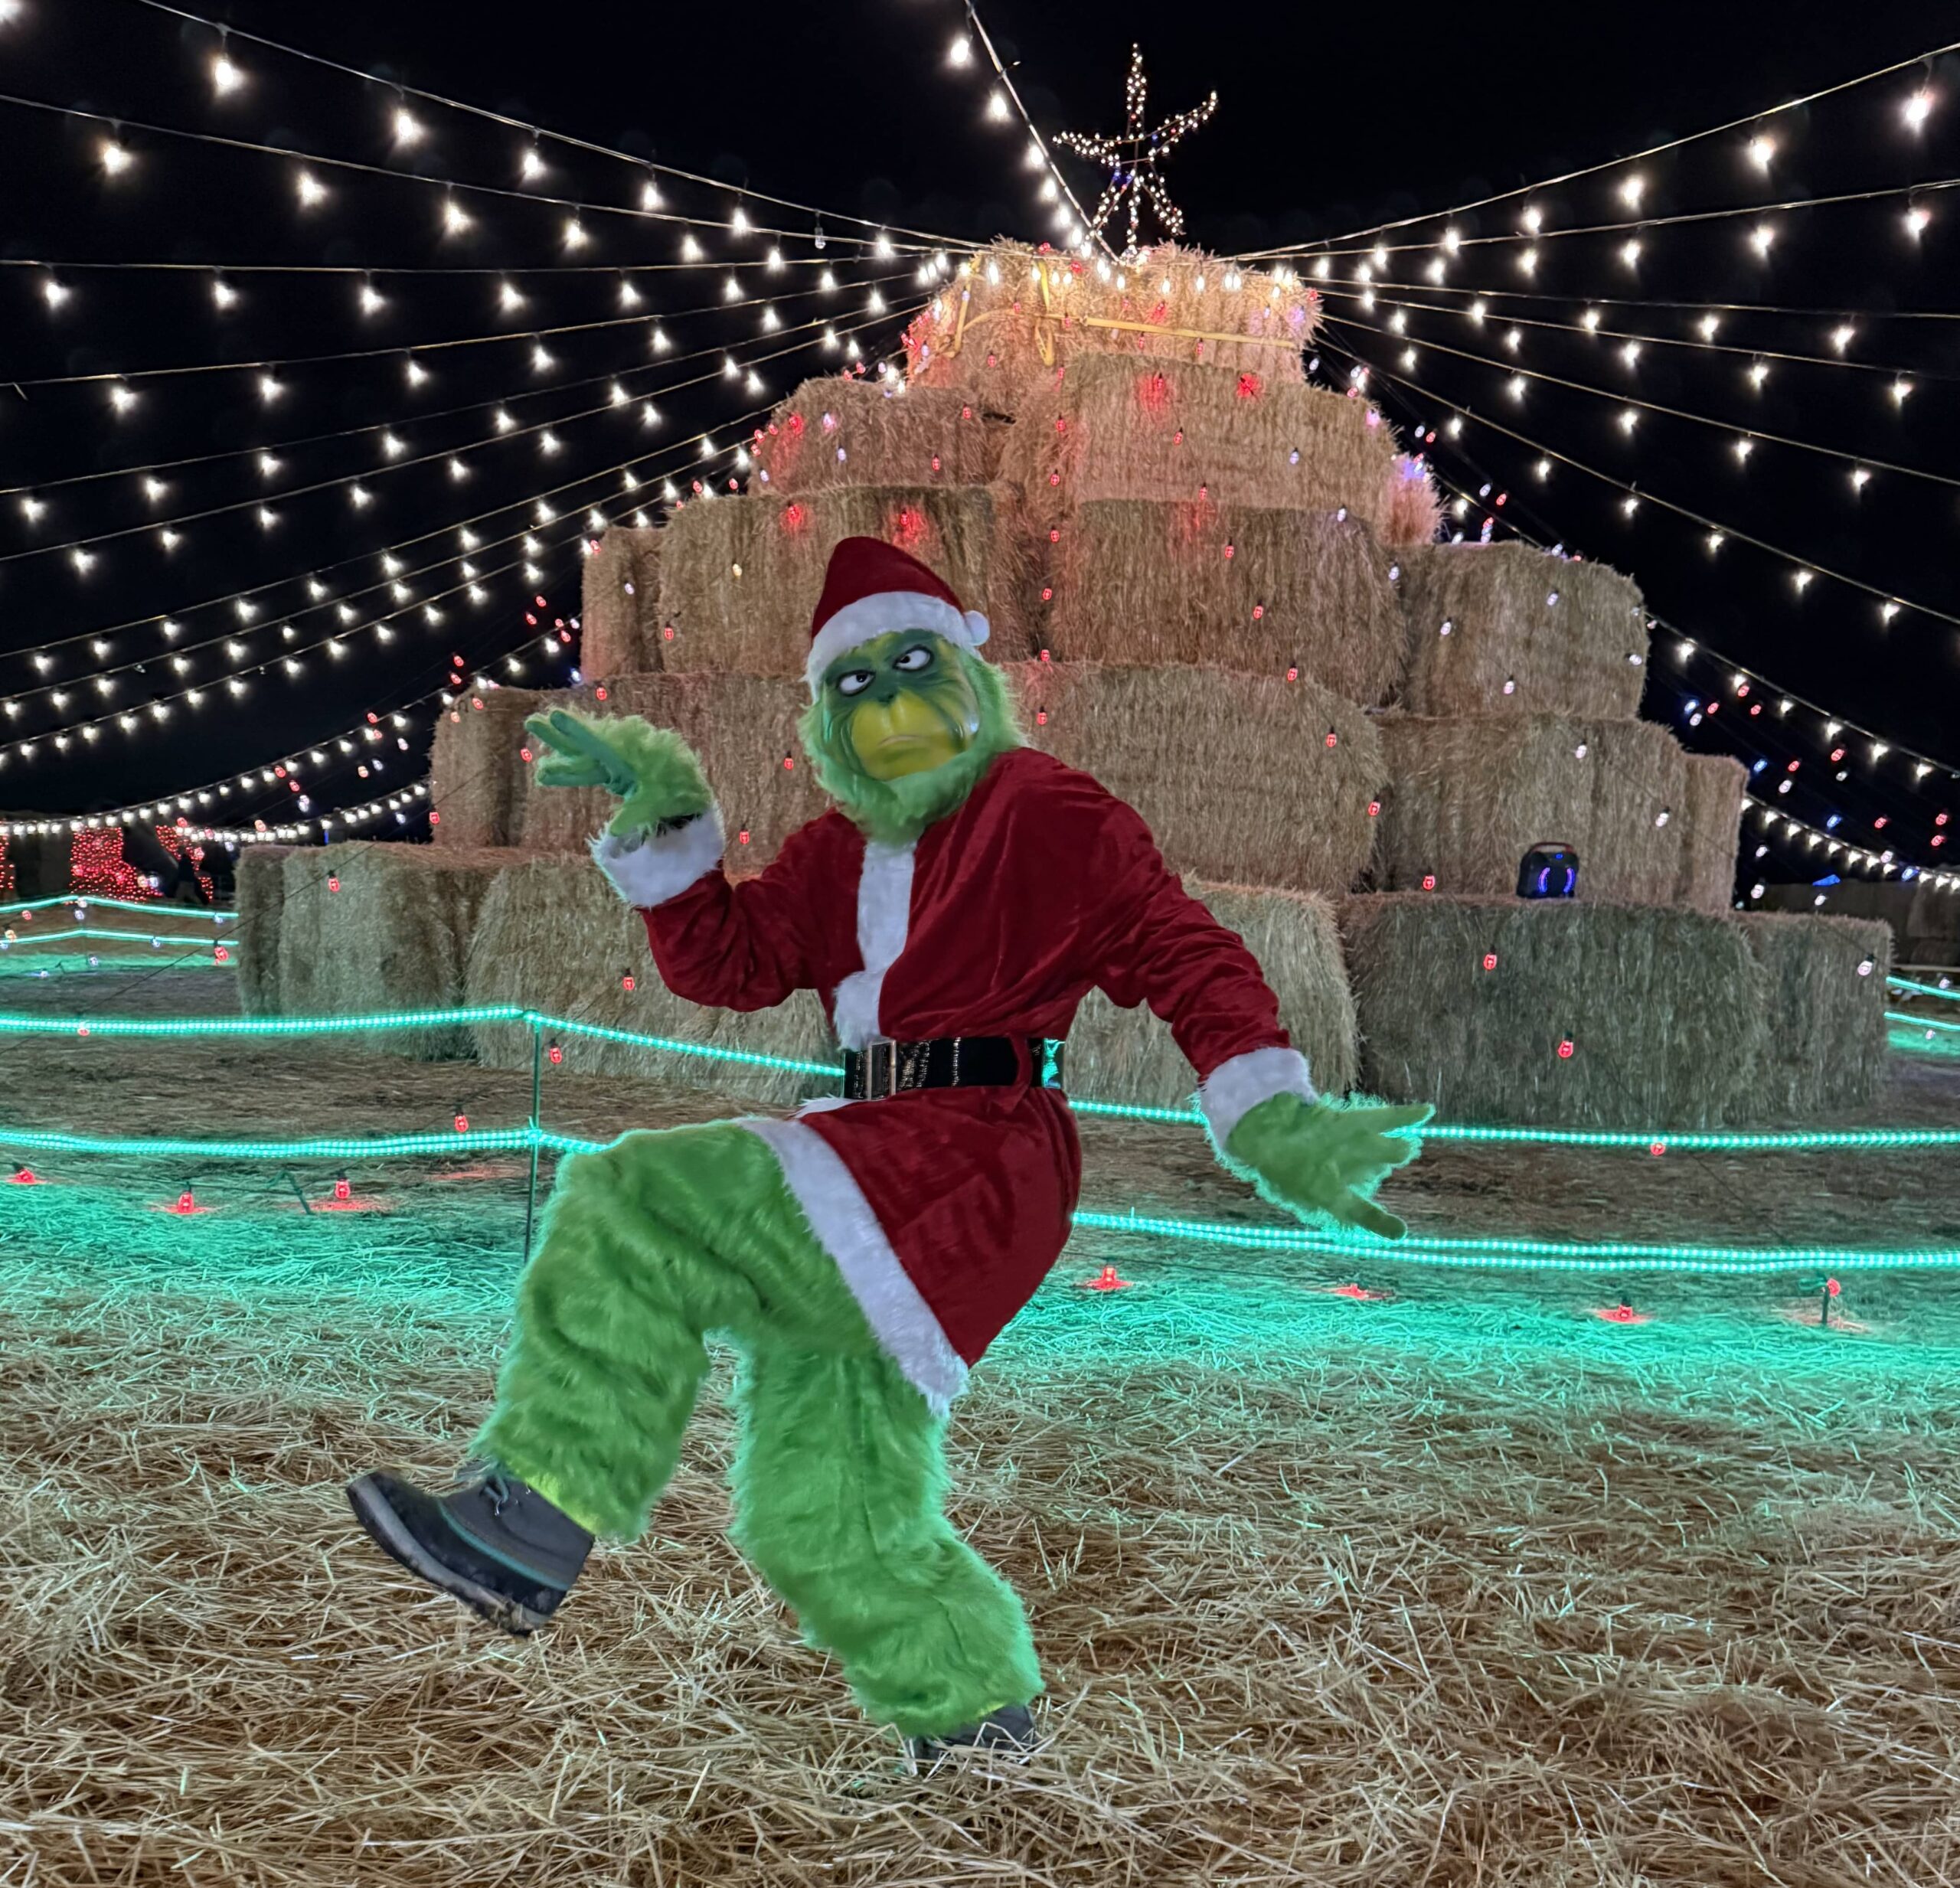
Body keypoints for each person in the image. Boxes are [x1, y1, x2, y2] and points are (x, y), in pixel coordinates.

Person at [348, 536, 1429, 1762]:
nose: (891, 701)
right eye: (854, 685)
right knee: (827, 1508)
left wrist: (1264, 1102)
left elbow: (1176, 945)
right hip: (878, 1142)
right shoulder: (837, 850)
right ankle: (976, 1715)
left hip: (978, 1149)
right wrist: (666, 824)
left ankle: (524, 1524)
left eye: (914, 665)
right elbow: (732, 963)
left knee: (634, 1201)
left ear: (971, 677)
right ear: (824, 720)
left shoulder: (1045, 810)